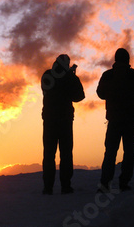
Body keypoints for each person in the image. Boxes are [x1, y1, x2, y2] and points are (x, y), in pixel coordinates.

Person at [97, 48, 134, 192]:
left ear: (115, 59)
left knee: (110, 152)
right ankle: (124, 182)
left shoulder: (108, 75)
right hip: (130, 120)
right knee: (129, 152)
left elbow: (100, 94)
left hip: (114, 120)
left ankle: (105, 184)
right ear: (128, 60)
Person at [41, 54, 85, 195]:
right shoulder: (69, 78)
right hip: (65, 120)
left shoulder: (47, 75)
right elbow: (79, 96)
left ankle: (48, 187)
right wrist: (71, 77)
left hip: (49, 120)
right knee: (66, 154)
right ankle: (65, 186)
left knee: (49, 154)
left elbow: (45, 88)